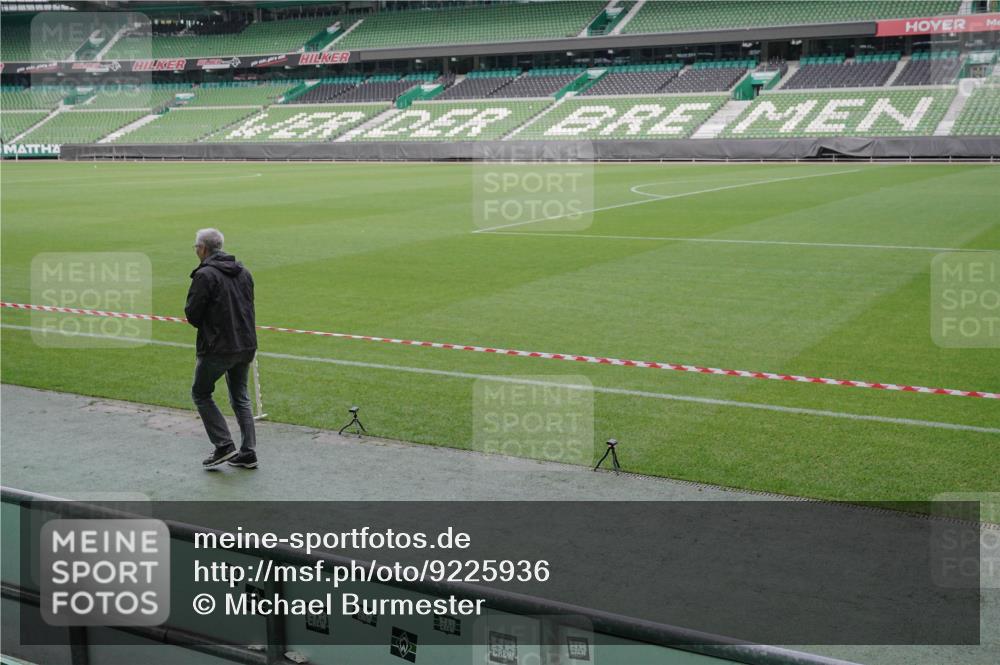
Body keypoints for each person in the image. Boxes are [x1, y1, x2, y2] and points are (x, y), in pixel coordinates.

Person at [185, 228, 259, 469]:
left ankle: (223, 444)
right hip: (245, 344)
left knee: (201, 393)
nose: (196, 251)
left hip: (218, 346)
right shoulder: (244, 272)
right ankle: (248, 451)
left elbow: (193, 314)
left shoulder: (204, 275)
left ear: (203, 249)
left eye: (196, 247)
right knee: (241, 397)